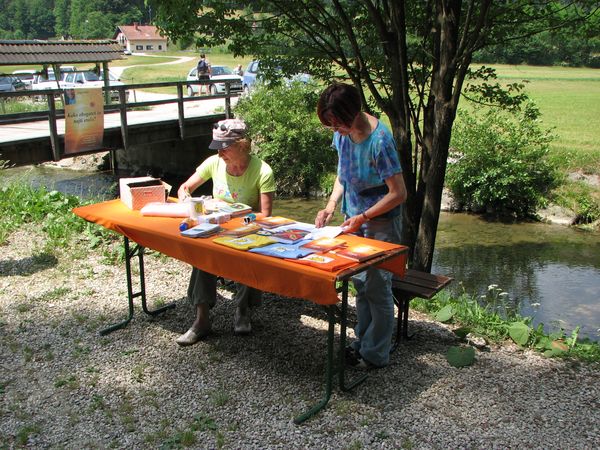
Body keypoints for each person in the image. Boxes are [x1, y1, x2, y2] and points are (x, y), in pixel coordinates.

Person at [314, 83, 407, 369]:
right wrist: (330, 206)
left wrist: (364, 217)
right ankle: (362, 342)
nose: (334, 129)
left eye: (337, 123)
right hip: (352, 220)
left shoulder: (380, 141)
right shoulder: (342, 136)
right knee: (360, 285)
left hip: (380, 224)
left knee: (378, 288)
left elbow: (398, 193)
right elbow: (343, 175)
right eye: (330, 124)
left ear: (354, 112)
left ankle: (376, 354)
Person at [176, 118, 276, 346]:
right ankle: (201, 320)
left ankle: (242, 309)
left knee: (250, 253)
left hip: (247, 229)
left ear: (242, 145)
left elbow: (267, 216)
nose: (220, 153)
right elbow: (185, 187)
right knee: (202, 254)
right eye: (217, 148)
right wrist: (187, 199)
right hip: (214, 228)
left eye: (225, 147)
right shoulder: (213, 163)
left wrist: (239, 217)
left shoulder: (263, 171)